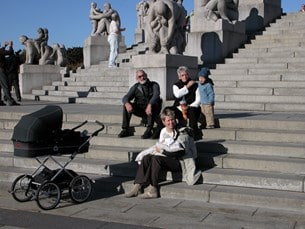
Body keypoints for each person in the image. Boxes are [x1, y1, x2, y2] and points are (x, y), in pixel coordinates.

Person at [125, 108, 201, 199]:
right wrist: (159, 151)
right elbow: (162, 146)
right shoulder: (163, 131)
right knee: (146, 157)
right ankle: (138, 186)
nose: (171, 122)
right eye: (168, 120)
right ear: (163, 122)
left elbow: (179, 152)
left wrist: (161, 151)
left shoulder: (182, 132)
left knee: (156, 158)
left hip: (180, 161)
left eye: (172, 120)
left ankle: (153, 190)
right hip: (168, 159)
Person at [118, 69, 162, 139]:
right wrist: (127, 103)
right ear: (137, 79)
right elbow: (126, 97)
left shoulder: (154, 84)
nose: (142, 78)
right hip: (140, 109)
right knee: (125, 105)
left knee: (152, 105)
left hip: (152, 109)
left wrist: (150, 104)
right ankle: (125, 129)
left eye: (143, 75)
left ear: (146, 75)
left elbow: (156, 95)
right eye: (139, 76)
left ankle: (149, 129)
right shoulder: (136, 87)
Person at [171, 66, 202, 141]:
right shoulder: (176, 85)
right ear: (179, 77)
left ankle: (192, 132)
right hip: (179, 107)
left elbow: (198, 99)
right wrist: (187, 86)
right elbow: (177, 94)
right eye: (182, 75)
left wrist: (189, 106)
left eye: (186, 74)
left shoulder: (195, 85)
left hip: (192, 107)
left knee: (192, 111)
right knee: (168, 110)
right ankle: (169, 131)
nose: (185, 77)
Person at [0, 41, 19, 106]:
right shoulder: (0, 51)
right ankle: (10, 100)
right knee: (5, 85)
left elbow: (2, 51)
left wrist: (4, 46)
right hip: (1, 70)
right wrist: (10, 46)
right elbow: (9, 52)